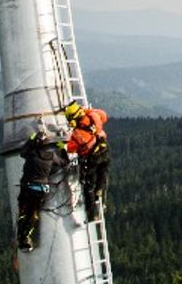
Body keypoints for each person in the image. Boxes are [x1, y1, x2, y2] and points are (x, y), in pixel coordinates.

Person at [8, 120, 70, 251]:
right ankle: (26, 236)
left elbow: (23, 152)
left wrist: (31, 140)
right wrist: (62, 147)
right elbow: (64, 162)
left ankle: (23, 237)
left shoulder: (31, 154)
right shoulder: (50, 156)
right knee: (33, 212)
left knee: (24, 211)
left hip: (27, 187)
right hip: (41, 190)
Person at [64, 100, 110, 219]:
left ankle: (92, 214)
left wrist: (61, 144)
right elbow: (103, 115)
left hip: (91, 158)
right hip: (104, 150)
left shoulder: (78, 134)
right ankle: (99, 189)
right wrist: (88, 110)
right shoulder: (93, 116)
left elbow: (70, 148)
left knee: (88, 186)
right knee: (103, 171)